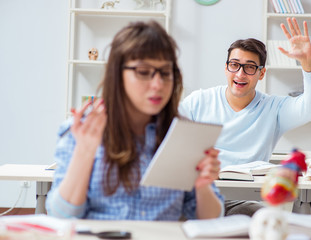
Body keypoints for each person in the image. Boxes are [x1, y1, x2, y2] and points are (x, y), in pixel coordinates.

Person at [46, 21, 224, 220]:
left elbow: (210, 221)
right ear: (117, 74)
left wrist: (203, 185)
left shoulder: (183, 135)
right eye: (143, 72)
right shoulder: (82, 131)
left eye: (165, 73)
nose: (158, 84)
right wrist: (84, 152)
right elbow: (61, 216)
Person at [179, 17, 311, 216]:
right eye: (234, 65)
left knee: (264, 218)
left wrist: (308, 63)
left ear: (261, 73)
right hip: (196, 196)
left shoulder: (274, 108)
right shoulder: (199, 101)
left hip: (240, 201)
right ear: (226, 68)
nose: (240, 74)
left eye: (250, 67)